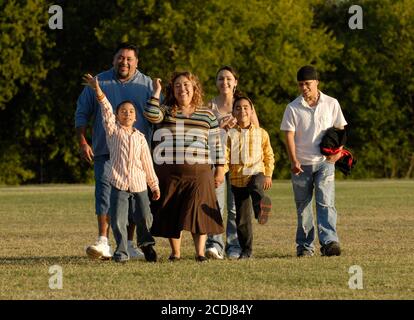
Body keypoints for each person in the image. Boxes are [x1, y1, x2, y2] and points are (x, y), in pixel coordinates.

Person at [75, 43, 154, 260]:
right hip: (105, 150)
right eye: (120, 57)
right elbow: (82, 112)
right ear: (113, 60)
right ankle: (103, 241)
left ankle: (128, 244)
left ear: (137, 62)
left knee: (133, 201)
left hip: (136, 155)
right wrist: (83, 142)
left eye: (129, 58)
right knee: (105, 195)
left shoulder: (146, 84)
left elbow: (158, 116)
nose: (124, 62)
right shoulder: (99, 82)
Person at [144, 71, 225, 262]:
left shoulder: (207, 114)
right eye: (178, 85)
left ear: (194, 87)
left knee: (199, 213)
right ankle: (176, 253)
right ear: (173, 90)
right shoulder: (166, 110)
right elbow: (151, 114)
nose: (183, 89)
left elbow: (216, 143)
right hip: (169, 172)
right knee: (172, 210)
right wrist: (156, 91)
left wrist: (220, 168)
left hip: (200, 172)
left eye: (186, 84)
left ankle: (200, 253)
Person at [280, 65, 347, 257]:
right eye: (300, 84)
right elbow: (289, 137)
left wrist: (337, 154)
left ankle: (329, 243)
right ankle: (304, 246)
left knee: (326, 202)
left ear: (317, 82)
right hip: (301, 164)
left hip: (325, 163)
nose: (304, 88)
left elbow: (341, 129)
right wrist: (293, 161)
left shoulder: (332, 103)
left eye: (307, 84)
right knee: (303, 207)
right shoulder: (292, 107)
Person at [206, 66, 260, 260]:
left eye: (229, 79)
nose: (224, 82)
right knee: (216, 203)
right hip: (217, 161)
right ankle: (215, 245)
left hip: (240, 163)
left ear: (235, 82)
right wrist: (220, 127)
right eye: (220, 79)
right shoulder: (210, 106)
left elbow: (256, 132)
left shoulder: (245, 105)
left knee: (234, 207)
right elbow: (205, 134)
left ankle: (234, 245)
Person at [219, 95, 275, 259]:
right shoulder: (229, 135)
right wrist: (220, 174)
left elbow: (268, 155)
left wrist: (268, 174)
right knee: (242, 219)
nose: (242, 110)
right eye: (238, 108)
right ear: (233, 113)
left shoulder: (261, 133)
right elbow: (226, 158)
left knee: (256, 185)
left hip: (257, 173)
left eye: (245, 107)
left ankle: (260, 210)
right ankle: (246, 251)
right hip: (237, 180)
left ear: (251, 111)